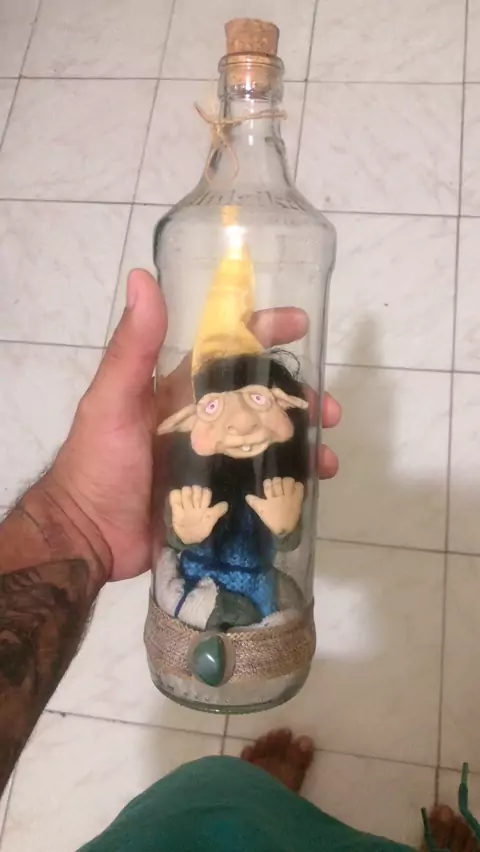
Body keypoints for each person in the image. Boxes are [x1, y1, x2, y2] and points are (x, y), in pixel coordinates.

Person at [0, 269, 474, 852]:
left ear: (289, 412)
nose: (242, 423)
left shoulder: (272, 483)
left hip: (257, 586)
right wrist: (184, 530)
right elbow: (177, 532)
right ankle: (257, 795)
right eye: (213, 407)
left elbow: (288, 541)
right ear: (182, 425)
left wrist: (285, 523)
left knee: (217, 795)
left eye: (258, 400)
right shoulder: (191, 485)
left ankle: (252, 792)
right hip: (205, 583)